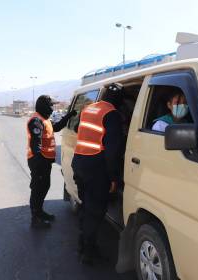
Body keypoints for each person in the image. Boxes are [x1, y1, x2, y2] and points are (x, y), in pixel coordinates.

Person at [71, 83, 124, 264]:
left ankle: (82, 243)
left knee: (86, 206)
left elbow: (78, 128)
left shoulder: (88, 108)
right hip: (96, 169)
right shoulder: (112, 114)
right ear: (118, 100)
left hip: (79, 163)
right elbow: (112, 152)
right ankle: (88, 252)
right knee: (95, 211)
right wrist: (114, 178)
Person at [27, 95, 76, 229]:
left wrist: (69, 116)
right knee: (38, 189)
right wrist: (39, 163)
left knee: (45, 186)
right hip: (38, 161)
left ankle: (40, 212)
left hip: (45, 160)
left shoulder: (45, 120)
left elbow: (57, 127)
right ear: (44, 106)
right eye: (51, 105)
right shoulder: (36, 120)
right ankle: (35, 218)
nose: (52, 108)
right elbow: (35, 144)